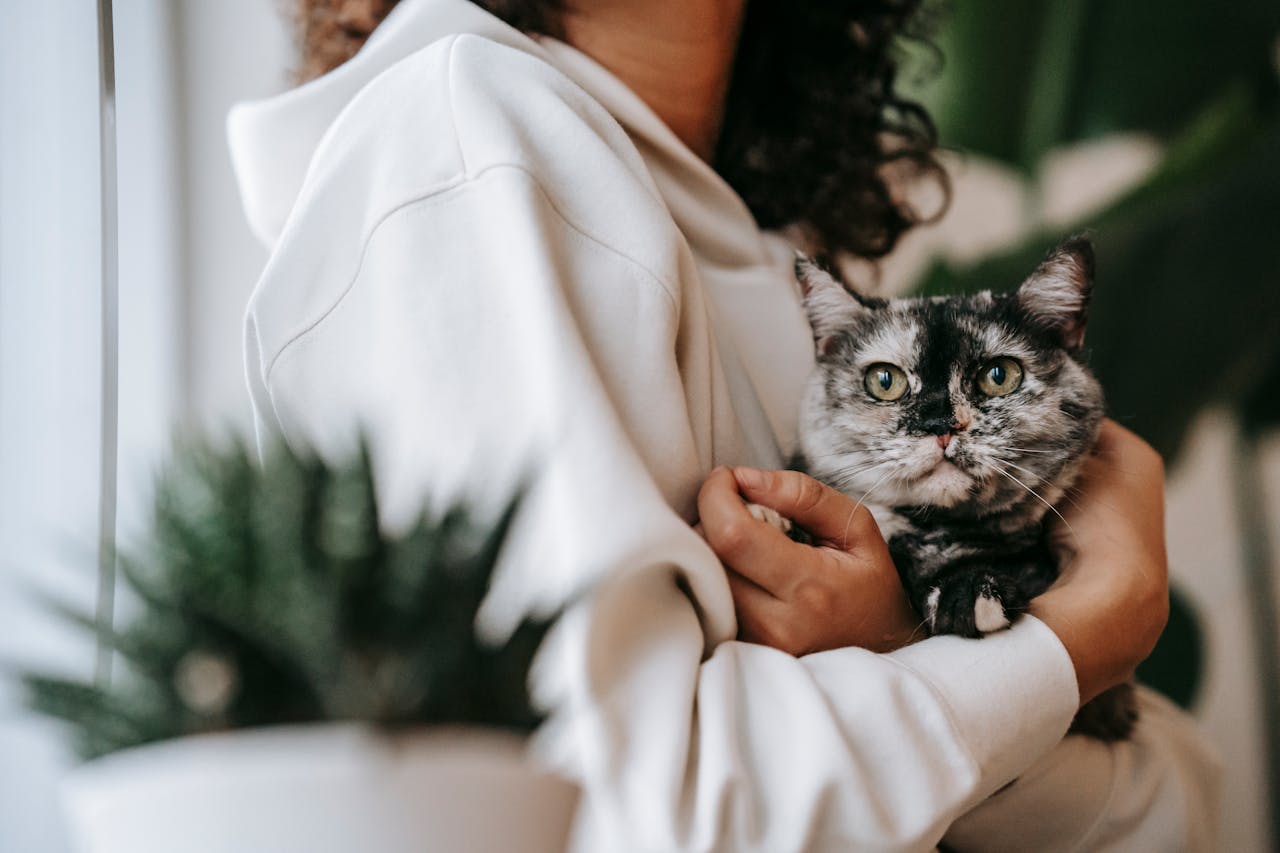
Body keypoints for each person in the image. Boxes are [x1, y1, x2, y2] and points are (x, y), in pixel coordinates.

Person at [229, 0, 1220, 848]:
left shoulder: (777, 260)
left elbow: (1184, 811)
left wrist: (916, 646)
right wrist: (1067, 644)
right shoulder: (461, 143)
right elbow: (626, 815)